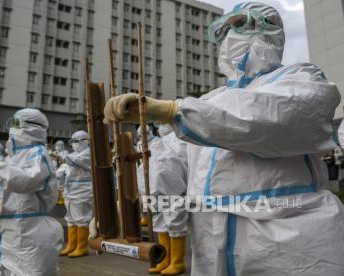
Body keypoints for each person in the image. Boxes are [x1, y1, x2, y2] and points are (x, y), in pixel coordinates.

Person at [103, 2, 344, 275]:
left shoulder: (301, 79)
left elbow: (270, 117)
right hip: (211, 237)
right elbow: (166, 162)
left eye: (239, 25)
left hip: (285, 236)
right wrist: (127, 205)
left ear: (270, 29)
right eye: (224, 30)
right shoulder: (208, 101)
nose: (230, 37)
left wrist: (173, 111)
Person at [0, 108, 63, 275]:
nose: (12, 128)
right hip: (7, 231)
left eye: (16, 124)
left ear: (30, 127)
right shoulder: (12, 156)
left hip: (28, 231)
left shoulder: (38, 153)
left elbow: (25, 181)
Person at [143, 124, 189, 275]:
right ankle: (164, 260)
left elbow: (183, 164)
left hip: (177, 189)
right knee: (161, 224)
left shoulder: (184, 140)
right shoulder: (160, 141)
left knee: (175, 224)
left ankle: (177, 262)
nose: (161, 126)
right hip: (159, 190)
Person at [59, 130, 93, 258]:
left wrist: (60, 155)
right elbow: (66, 166)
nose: (74, 144)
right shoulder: (74, 154)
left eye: (76, 142)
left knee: (81, 219)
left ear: (85, 142)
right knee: (70, 219)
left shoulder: (88, 153)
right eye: (72, 142)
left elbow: (73, 160)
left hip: (82, 191)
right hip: (71, 191)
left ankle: (82, 247)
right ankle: (71, 245)